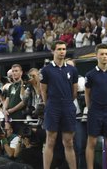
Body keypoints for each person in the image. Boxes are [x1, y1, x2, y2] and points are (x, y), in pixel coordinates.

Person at [40, 41, 79, 169]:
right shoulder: (46, 70)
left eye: (64, 49)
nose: (62, 51)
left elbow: (74, 91)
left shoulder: (72, 69)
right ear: (53, 51)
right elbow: (43, 91)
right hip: (53, 106)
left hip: (68, 105)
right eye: (59, 49)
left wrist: (67, 102)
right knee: (50, 140)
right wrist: (50, 105)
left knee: (69, 142)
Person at [84, 44, 107, 169]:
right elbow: (87, 93)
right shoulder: (90, 74)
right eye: (102, 54)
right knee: (92, 142)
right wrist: (90, 109)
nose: (105, 57)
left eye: (106, 54)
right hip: (95, 111)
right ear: (96, 56)